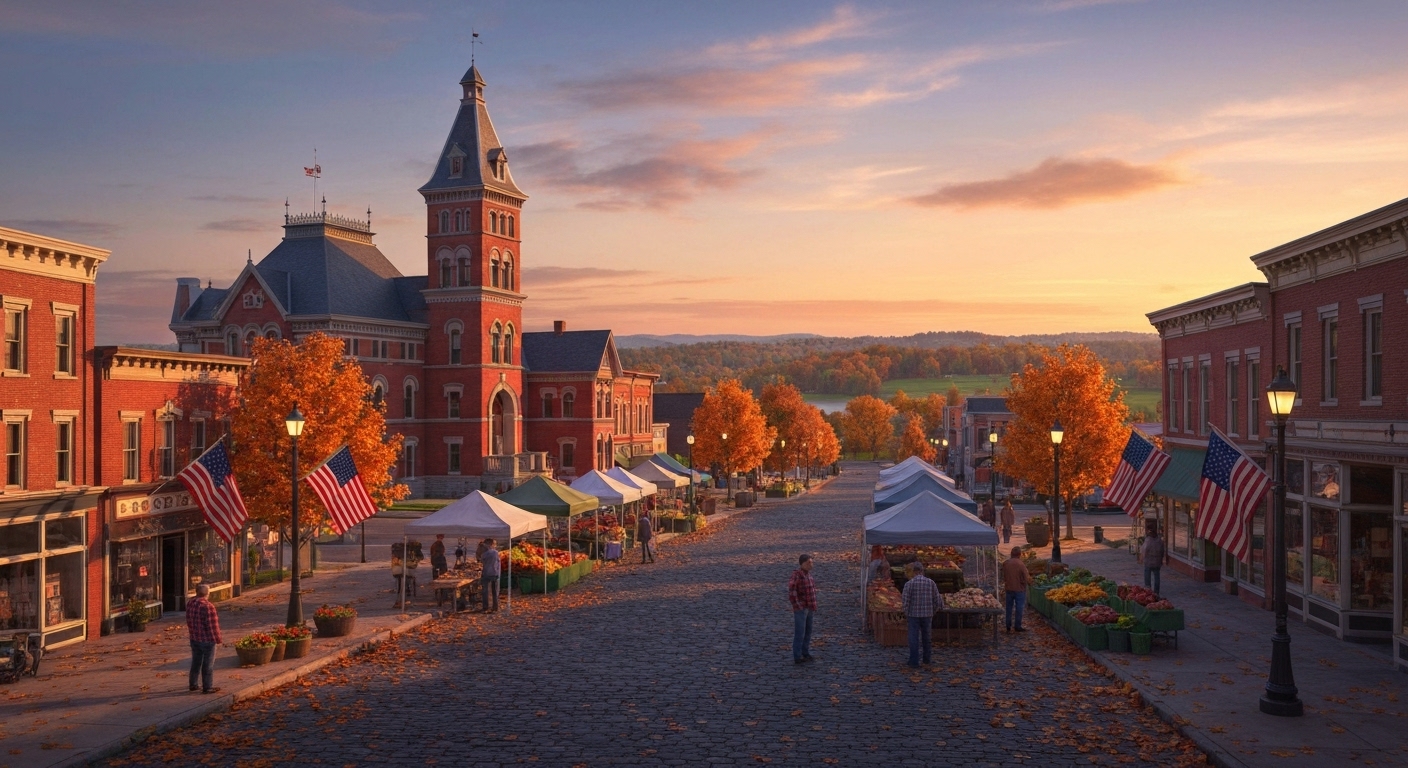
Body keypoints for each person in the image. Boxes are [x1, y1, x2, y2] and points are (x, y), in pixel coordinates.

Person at [901, 561, 940, 667]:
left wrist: (906, 612)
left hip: (913, 615)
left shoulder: (909, 584)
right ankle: (927, 659)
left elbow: (905, 601)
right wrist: (933, 611)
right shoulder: (931, 583)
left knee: (913, 638)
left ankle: (914, 661)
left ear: (914, 572)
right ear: (922, 571)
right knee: (927, 637)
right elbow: (937, 600)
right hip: (927, 614)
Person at [186, 583, 222, 694]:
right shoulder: (208, 606)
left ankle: (193, 684)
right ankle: (207, 686)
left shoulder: (190, 603)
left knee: (196, 662)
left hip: (194, 637)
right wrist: (217, 639)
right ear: (208, 593)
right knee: (208, 664)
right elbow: (212, 626)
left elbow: (188, 619)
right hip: (207, 640)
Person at [788, 554, 817, 664]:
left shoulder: (809, 575)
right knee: (800, 632)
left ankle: (805, 652)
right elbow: (792, 592)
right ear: (802, 564)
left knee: (808, 632)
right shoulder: (797, 575)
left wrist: (813, 606)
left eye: (811, 562)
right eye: (808, 563)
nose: (811, 565)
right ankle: (797, 655)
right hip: (801, 608)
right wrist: (798, 606)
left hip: (809, 608)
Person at [1002, 546, 1031, 632]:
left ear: (1011, 554)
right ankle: (1017, 626)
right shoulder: (1021, 564)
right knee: (1019, 608)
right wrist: (1029, 582)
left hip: (1009, 588)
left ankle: (1008, 625)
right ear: (1019, 554)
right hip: (1019, 589)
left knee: (1008, 608)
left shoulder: (1006, 563)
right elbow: (1026, 577)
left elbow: (1003, 575)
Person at [1140, 524, 1166, 595]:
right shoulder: (1159, 540)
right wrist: (1161, 559)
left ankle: (1148, 590)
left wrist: (1141, 558)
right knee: (1157, 576)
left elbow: (1144, 550)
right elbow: (1162, 551)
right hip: (1157, 562)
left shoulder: (1148, 540)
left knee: (1147, 576)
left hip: (1148, 561)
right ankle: (1156, 591)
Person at [480, 538, 501, 613]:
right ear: (491, 544)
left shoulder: (484, 554)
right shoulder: (496, 553)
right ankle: (495, 607)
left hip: (486, 573)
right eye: (495, 544)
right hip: (495, 573)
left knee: (485, 591)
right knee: (495, 591)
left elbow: (482, 561)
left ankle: (485, 607)